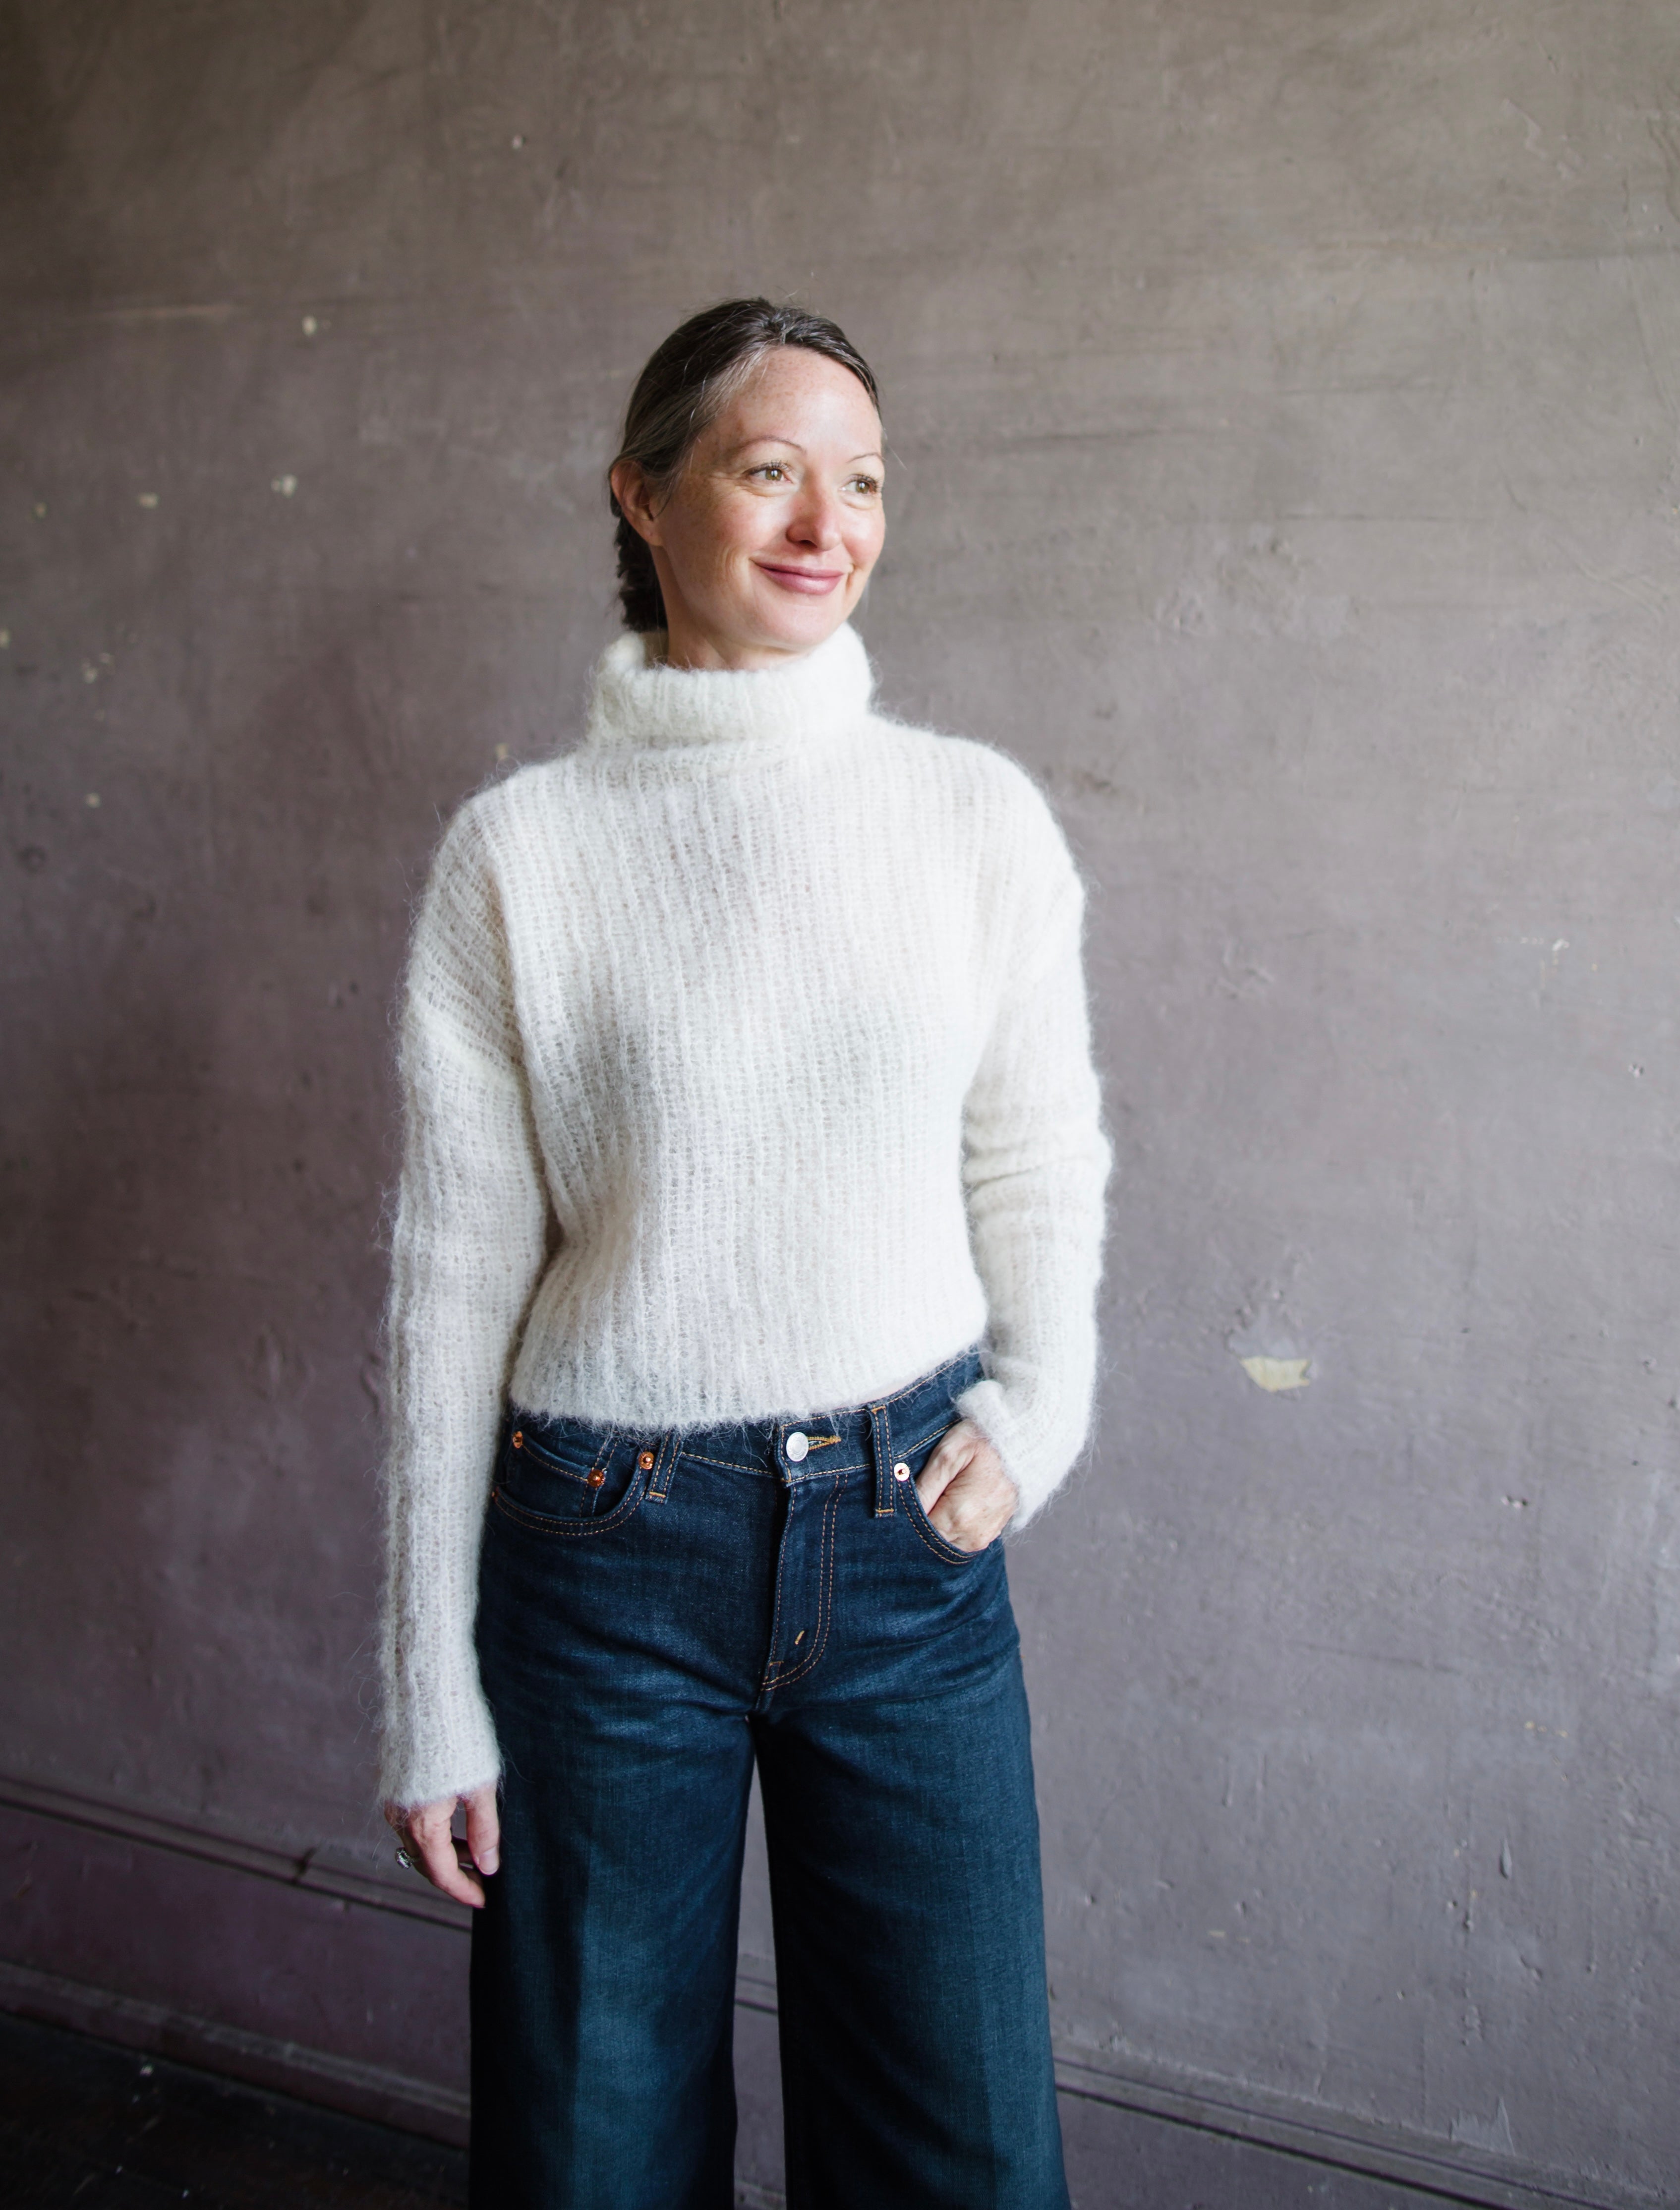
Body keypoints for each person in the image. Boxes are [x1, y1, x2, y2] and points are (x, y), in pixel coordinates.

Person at [379, 297, 1110, 2210]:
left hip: (909, 1543)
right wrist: (422, 1685)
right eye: (766, 467)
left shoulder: (972, 822)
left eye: (860, 479)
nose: (824, 521)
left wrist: (1039, 1412)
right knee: (590, 2150)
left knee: (960, 2150)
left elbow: (1036, 1153)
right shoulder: (518, 855)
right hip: (600, 1560)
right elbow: (451, 1279)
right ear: (643, 494)